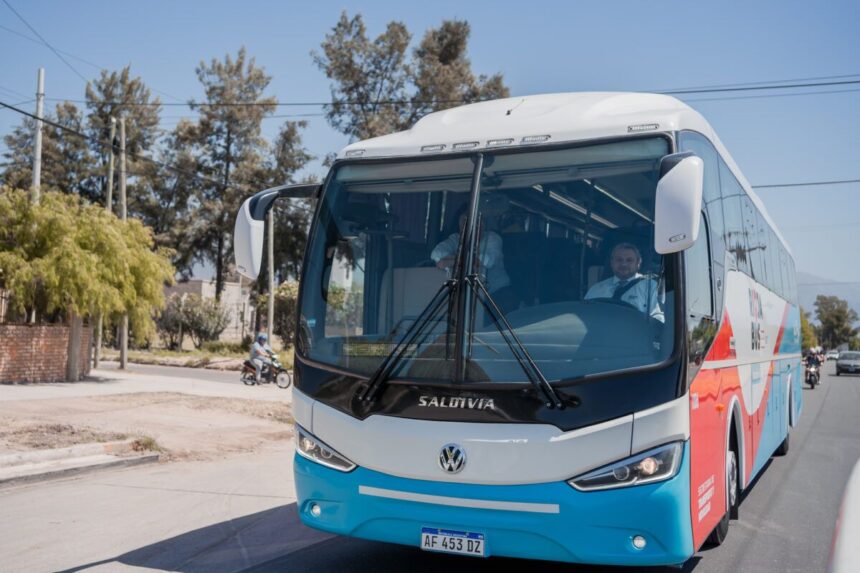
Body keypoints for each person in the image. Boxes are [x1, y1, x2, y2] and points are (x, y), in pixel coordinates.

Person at [431, 206, 517, 312]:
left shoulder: (492, 238)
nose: (469, 226)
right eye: (464, 222)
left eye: (475, 222)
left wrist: (452, 260)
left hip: (497, 294)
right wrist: (465, 260)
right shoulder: (455, 239)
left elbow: (485, 260)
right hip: (469, 295)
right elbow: (437, 254)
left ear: (482, 224)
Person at [585, 242, 663, 321]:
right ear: (612, 262)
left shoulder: (650, 287)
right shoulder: (596, 289)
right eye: (619, 260)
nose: (624, 264)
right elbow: (586, 316)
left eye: (629, 260)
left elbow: (658, 318)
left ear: (638, 263)